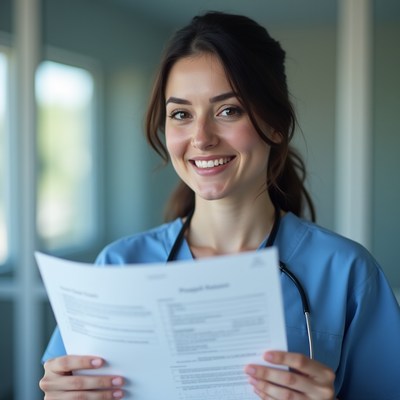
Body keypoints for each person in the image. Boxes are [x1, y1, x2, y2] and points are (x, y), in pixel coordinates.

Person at [40, 11, 400, 400]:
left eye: (228, 110)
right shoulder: (120, 265)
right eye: (181, 114)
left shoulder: (346, 272)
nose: (201, 137)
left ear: (276, 123)